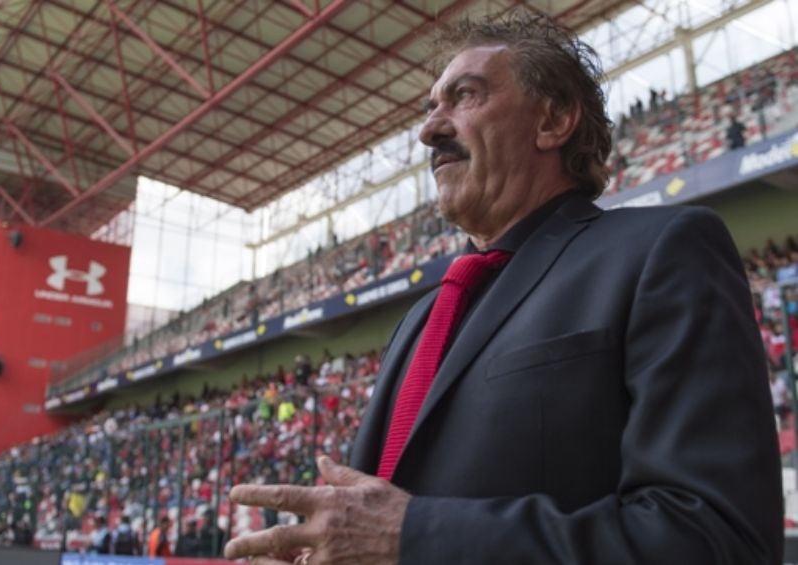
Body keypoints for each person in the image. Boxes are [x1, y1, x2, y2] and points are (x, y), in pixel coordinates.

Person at [224, 11, 782, 565]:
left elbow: (717, 537)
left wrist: (415, 536)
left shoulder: (660, 251)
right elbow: (374, 522)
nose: (429, 130)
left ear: (553, 120)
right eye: (430, 107)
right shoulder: (420, 320)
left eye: (464, 96)